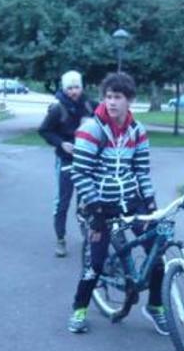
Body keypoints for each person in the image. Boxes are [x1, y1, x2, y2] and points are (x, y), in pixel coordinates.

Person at [66, 73, 164, 335]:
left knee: (157, 252)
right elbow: (80, 173)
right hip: (100, 205)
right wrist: (96, 209)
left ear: (129, 100)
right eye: (108, 96)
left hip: (131, 201)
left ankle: (155, 307)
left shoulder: (137, 131)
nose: (111, 102)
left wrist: (151, 204)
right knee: (95, 264)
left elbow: (142, 171)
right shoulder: (92, 129)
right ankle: (79, 308)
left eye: (118, 97)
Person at [38, 70, 97, 257]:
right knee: (63, 201)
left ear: (82, 87)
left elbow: (103, 124)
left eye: (77, 87)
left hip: (87, 161)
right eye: (70, 88)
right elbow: (44, 130)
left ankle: (86, 236)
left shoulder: (90, 105)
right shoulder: (57, 108)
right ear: (64, 88)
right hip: (65, 160)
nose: (74, 91)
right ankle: (61, 239)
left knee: (86, 201)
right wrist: (61, 143)